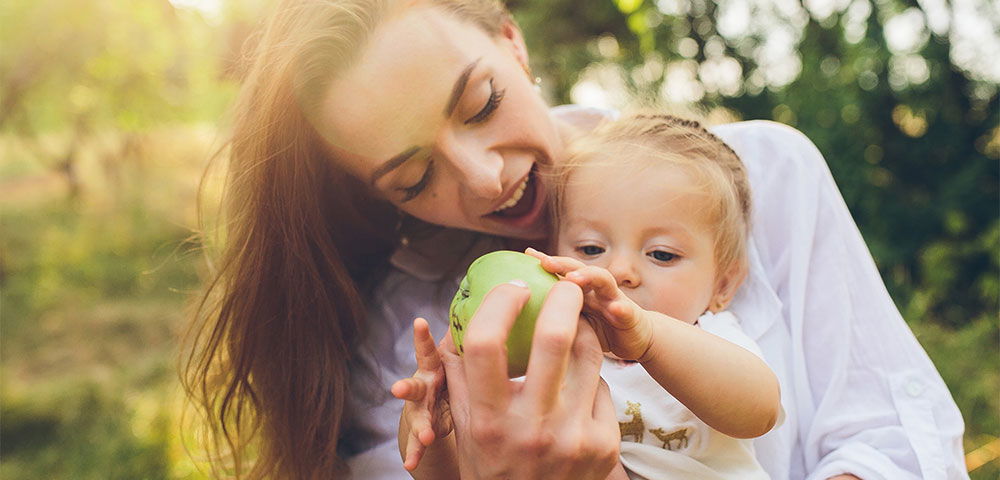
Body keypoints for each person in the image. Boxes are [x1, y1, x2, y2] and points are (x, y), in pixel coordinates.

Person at [182, 0, 969, 479]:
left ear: (512, 42)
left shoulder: (752, 180)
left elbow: (894, 438)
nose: (486, 178)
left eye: (482, 102)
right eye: (414, 180)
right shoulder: (403, 337)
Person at [394, 112, 785, 480]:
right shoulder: (540, 352)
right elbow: (457, 472)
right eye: (590, 249)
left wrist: (648, 337)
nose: (617, 272)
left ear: (723, 287)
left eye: (662, 254)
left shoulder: (711, 338)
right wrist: (435, 425)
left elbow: (760, 411)